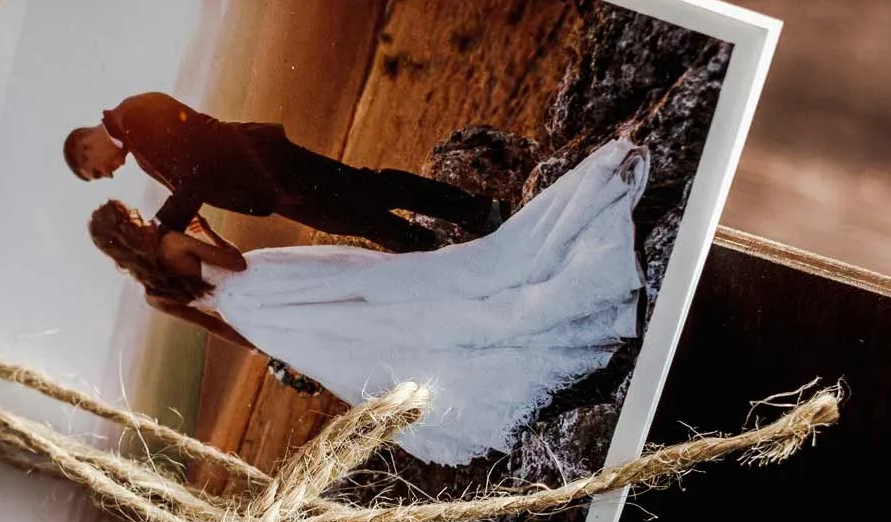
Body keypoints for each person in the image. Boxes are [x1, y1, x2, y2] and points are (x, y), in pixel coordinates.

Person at [87, 137, 650, 467]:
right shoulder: (171, 241)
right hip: (263, 284)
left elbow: (221, 330)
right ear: (127, 223)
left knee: (359, 341)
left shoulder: (154, 293)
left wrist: (274, 352)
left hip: (262, 324)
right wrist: (207, 230)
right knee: (372, 290)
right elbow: (231, 264)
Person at [64, 91, 504, 254]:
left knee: (369, 189)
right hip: (270, 189)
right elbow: (191, 179)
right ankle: (434, 250)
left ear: (86, 146)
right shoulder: (136, 146)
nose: (107, 175)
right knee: (358, 219)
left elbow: (196, 171)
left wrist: (164, 225)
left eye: (96, 171)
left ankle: (479, 213)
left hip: (268, 164)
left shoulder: (136, 113)